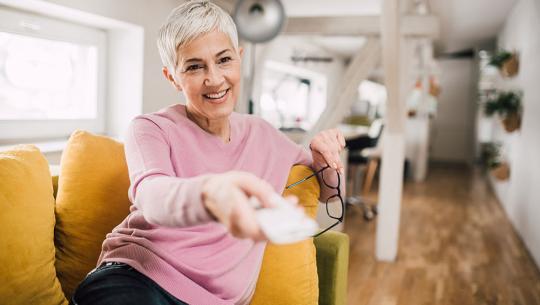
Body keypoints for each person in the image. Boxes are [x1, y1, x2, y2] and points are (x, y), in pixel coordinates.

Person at [70, 1, 345, 304]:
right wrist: (211, 194)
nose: (214, 79)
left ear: (239, 58)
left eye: (224, 60)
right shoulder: (150, 128)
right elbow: (150, 194)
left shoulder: (265, 136)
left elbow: (330, 194)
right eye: (194, 66)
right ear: (172, 77)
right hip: (136, 278)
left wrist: (325, 159)